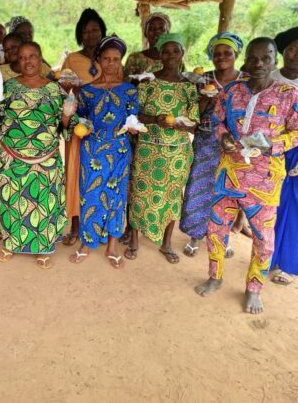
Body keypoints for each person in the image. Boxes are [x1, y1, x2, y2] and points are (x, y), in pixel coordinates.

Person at [195, 37, 298, 314]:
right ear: (246, 60)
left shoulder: (288, 94)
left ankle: (254, 288)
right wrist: (223, 137)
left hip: (265, 180)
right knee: (216, 229)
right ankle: (215, 276)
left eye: (266, 58)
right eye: (253, 58)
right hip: (227, 175)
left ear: (274, 60)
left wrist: (273, 146)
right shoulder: (231, 91)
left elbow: (297, 132)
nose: (259, 63)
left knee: (263, 238)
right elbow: (216, 121)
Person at [0, 41, 76, 269]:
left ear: (40, 58)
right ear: (17, 61)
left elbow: (65, 126)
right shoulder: (8, 87)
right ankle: (10, 244)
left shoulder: (55, 90)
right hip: (11, 157)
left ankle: (43, 247)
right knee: (11, 201)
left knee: (43, 202)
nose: (27, 61)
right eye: (22, 57)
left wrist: (67, 115)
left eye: (32, 56)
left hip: (46, 158)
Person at [126, 33, 199, 263]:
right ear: (159, 55)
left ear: (182, 54)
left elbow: (194, 122)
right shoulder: (148, 82)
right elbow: (135, 114)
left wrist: (183, 124)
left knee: (172, 197)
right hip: (148, 149)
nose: (170, 56)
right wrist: (154, 119)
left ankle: (166, 243)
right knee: (139, 193)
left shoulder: (189, 87)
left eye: (175, 51)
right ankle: (134, 239)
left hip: (177, 152)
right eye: (165, 52)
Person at [70, 36, 138, 268]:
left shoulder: (129, 90)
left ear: (121, 61)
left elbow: (133, 118)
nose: (110, 63)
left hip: (119, 149)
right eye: (106, 58)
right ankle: (86, 243)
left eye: (115, 59)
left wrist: (133, 126)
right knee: (90, 194)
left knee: (116, 197)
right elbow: (80, 119)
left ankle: (112, 245)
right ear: (98, 59)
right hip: (92, 150)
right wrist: (81, 125)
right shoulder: (87, 91)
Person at [180, 32, 247, 257]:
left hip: (235, 144)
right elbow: (193, 115)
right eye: (217, 54)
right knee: (199, 187)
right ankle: (195, 235)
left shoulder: (246, 80)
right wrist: (204, 99)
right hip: (206, 140)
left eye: (227, 53)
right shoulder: (204, 78)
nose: (221, 57)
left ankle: (222, 237)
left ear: (236, 54)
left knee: (226, 191)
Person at [60, 8, 106, 247]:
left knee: (101, 174)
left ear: (102, 32)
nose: (91, 35)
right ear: (80, 34)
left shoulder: (109, 57)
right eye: (86, 31)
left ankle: (99, 226)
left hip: (104, 126)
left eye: (95, 30)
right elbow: (63, 90)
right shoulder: (72, 60)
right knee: (76, 174)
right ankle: (76, 226)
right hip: (79, 126)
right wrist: (73, 89)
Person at [269, 27, 298, 286]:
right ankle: (265, 258)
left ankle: (286, 264)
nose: (296, 54)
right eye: (292, 48)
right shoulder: (269, 78)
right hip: (266, 150)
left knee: (292, 206)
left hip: (295, 153)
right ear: (283, 51)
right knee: (269, 204)